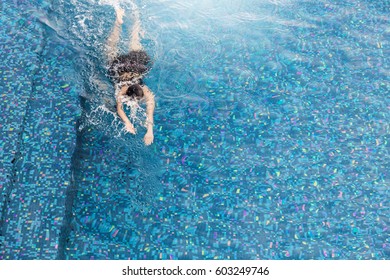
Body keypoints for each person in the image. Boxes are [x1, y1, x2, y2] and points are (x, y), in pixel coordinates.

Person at [106, 6, 155, 145]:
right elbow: (119, 109)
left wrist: (148, 131)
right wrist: (128, 123)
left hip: (134, 67)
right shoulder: (138, 92)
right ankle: (130, 20)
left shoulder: (136, 91)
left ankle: (119, 21)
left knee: (116, 47)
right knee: (111, 50)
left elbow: (120, 108)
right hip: (124, 67)